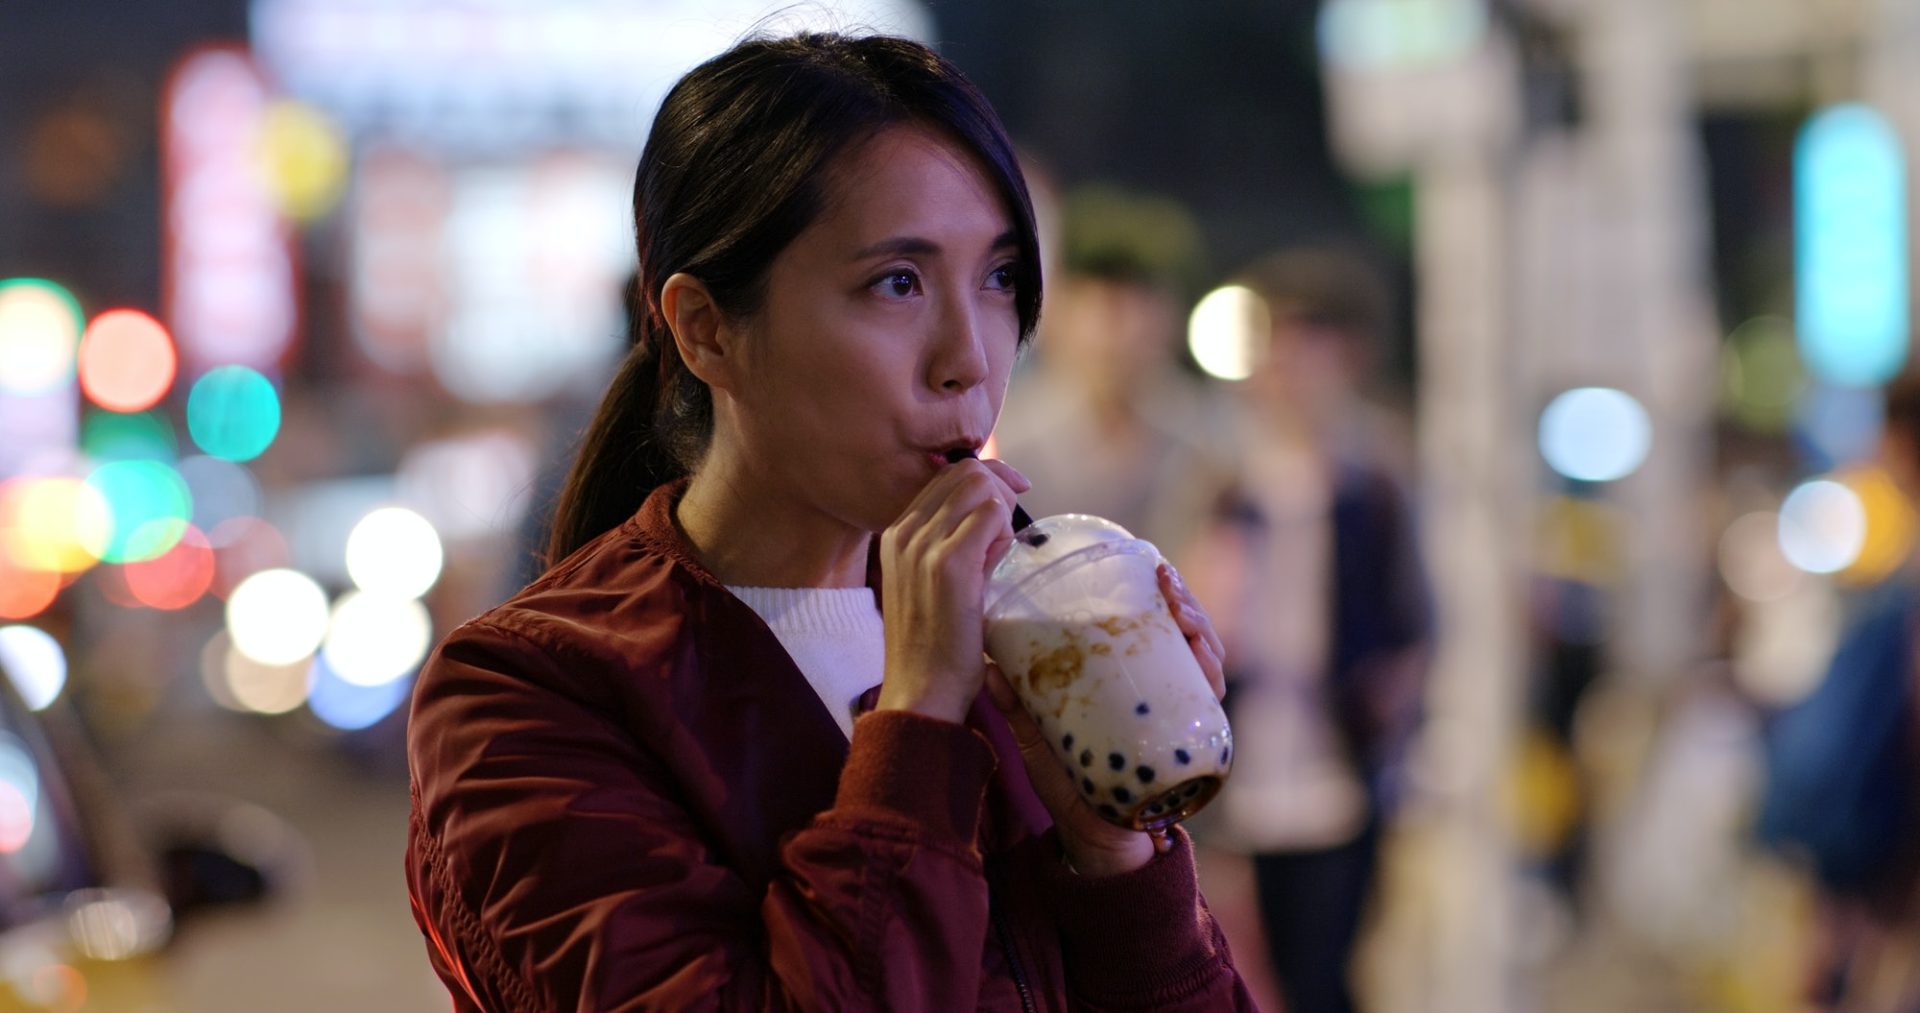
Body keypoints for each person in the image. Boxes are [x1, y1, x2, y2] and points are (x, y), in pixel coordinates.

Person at [404, 32, 1255, 1011]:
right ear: (706, 328)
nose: (969, 358)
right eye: (897, 281)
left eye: (999, 279)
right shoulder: (528, 692)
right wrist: (919, 719)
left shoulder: (1019, 641)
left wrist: (1113, 849)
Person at [1180, 247, 1430, 1013]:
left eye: (1303, 344)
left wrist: (1397, 708)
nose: (1284, 367)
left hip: (1340, 769)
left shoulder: (1377, 484)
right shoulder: (1222, 481)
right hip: (1238, 770)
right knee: (1241, 969)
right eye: (1273, 344)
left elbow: (1414, 619)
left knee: (1325, 971)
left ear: (1346, 357)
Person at [991, 185, 1231, 562]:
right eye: (1106, 304)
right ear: (1060, 306)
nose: (1124, 328)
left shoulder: (1206, 436)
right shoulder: (1008, 435)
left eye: (1144, 301)